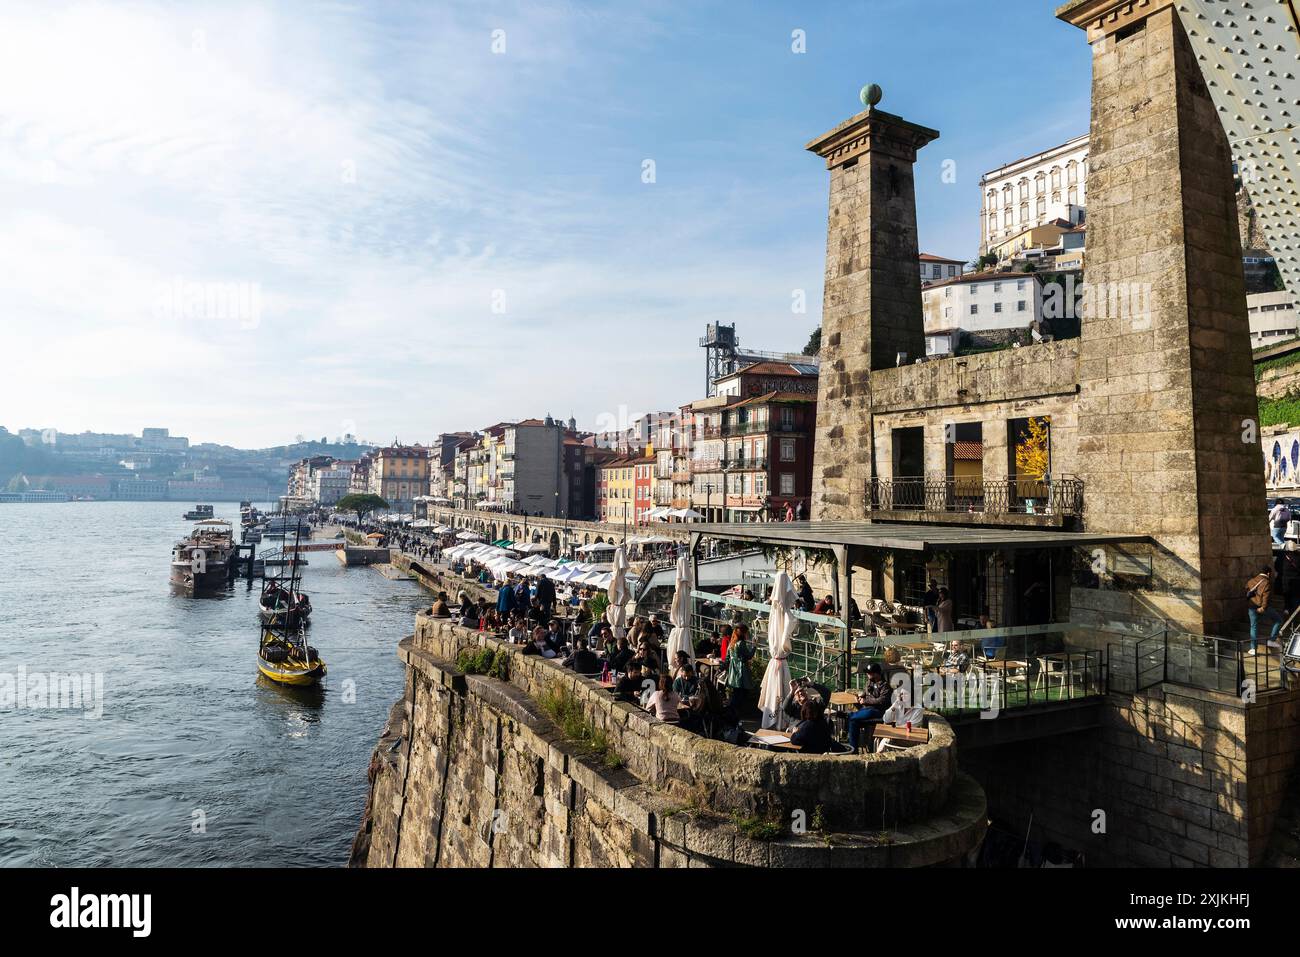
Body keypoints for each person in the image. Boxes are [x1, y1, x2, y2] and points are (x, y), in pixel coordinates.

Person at [847, 663, 892, 752]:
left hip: (879, 712)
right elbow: (866, 693)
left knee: (868, 712)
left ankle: (848, 715)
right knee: (853, 722)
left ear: (876, 674)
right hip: (867, 710)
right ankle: (853, 750)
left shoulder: (885, 686)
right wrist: (860, 696)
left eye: (869, 673)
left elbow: (881, 701)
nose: (867, 674)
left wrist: (866, 701)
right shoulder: (869, 682)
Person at [1246, 564, 1282, 654]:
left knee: (1253, 626)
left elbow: (1246, 590)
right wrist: (1263, 607)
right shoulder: (1266, 582)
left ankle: (1253, 648)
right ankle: (1272, 640)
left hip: (1251, 607)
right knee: (1278, 620)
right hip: (1262, 607)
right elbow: (1266, 596)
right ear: (1268, 573)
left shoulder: (1251, 581)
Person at [721, 623, 756, 713]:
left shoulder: (732, 643)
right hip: (742, 671)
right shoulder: (741, 643)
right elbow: (749, 656)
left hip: (733, 671)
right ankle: (735, 712)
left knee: (736, 693)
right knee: (742, 694)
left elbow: (727, 658)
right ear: (744, 633)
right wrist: (754, 646)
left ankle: (732, 711)